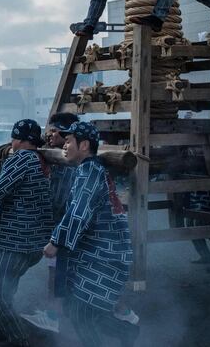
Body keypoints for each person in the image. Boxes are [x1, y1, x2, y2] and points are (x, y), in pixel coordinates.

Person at [43, 122, 139, 346]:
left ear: (84, 145)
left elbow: (79, 211)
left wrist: (55, 242)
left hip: (106, 257)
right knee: (84, 312)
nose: (64, 146)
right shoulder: (89, 169)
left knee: (80, 314)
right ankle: (128, 333)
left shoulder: (89, 170)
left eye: (68, 141)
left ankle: (127, 334)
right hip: (99, 255)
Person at [0, 119, 52, 347]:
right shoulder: (41, 158)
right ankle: (5, 326)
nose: (11, 142)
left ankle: (18, 340)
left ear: (20, 139)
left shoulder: (21, 159)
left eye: (14, 138)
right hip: (27, 238)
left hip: (17, 240)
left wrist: (4, 165)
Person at [26, 112, 80, 333]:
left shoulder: (69, 160)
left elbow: (61, 199)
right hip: (63, 225)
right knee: (57, 271)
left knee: (63, 271)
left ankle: (55, 316)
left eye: (55, 131)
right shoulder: (58, 155)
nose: (49, 135)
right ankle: (55, 313)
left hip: (67, 225)